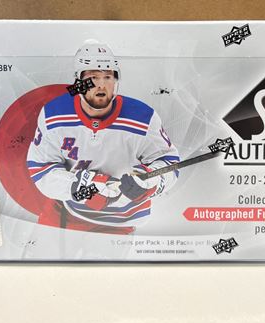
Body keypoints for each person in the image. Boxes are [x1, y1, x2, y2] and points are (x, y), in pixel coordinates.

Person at [27, 40, 180, 232]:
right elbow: (40, 168)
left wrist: (151, 181)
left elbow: (169, 162)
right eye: (93, 77)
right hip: (68, 212)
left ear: (116, 81)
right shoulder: (54, 114)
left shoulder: (143, 117)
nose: (101, 85)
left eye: (108, 77)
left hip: (124, 221)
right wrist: (75, 186)